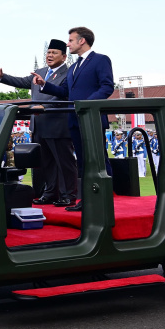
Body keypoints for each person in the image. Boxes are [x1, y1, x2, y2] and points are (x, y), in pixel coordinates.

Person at [32, 27, 114, 211]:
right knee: (83, 162)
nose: (68, 44)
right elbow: (65, 92)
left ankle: (105, 200)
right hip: (75, 120)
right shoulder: (75, 66)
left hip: (91, 117)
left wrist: (85, 104)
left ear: (82, 41)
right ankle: (86, 200)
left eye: (70, 41)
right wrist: (45, 85)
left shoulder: (100, 60)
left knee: (99, 160)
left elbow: (107, 87)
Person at [0, 38, 77, 206]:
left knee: (64, 162)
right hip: (39, 125)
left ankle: (68, 195)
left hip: (58, 125)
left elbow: (64, 95)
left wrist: (43, 106)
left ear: (64, 57)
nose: (50, 56)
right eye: (48, 53)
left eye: (54, 53)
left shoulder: (69, 73)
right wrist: (2, 76)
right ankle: (50, 193)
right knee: (46, 163)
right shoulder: (40, 72)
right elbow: (22, 82)